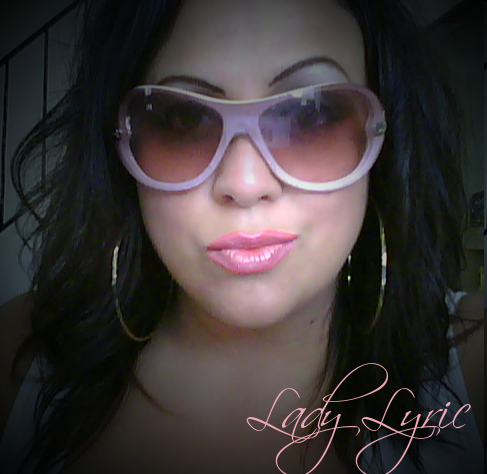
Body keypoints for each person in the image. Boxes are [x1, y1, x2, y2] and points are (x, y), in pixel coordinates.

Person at [0, 0, 484, 473]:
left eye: (311, 115)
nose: (245, 183)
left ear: (383, 140)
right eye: (182, 119)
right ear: (119, 151)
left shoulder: (474, 361)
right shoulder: (18, 354)